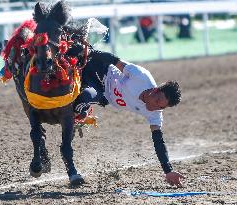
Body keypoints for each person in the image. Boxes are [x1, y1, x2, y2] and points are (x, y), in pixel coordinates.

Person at [73, 49, 185, 187]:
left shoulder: (155, 113)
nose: (154, 108)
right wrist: (90, 52)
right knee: (83, 98)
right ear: (155, 90)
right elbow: (114, 60)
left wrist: (168, 171)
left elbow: (158, 140)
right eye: (156, 102)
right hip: (99, 72)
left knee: (82, 102)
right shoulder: (141, 76)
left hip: (103, 95)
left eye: (161, 107)